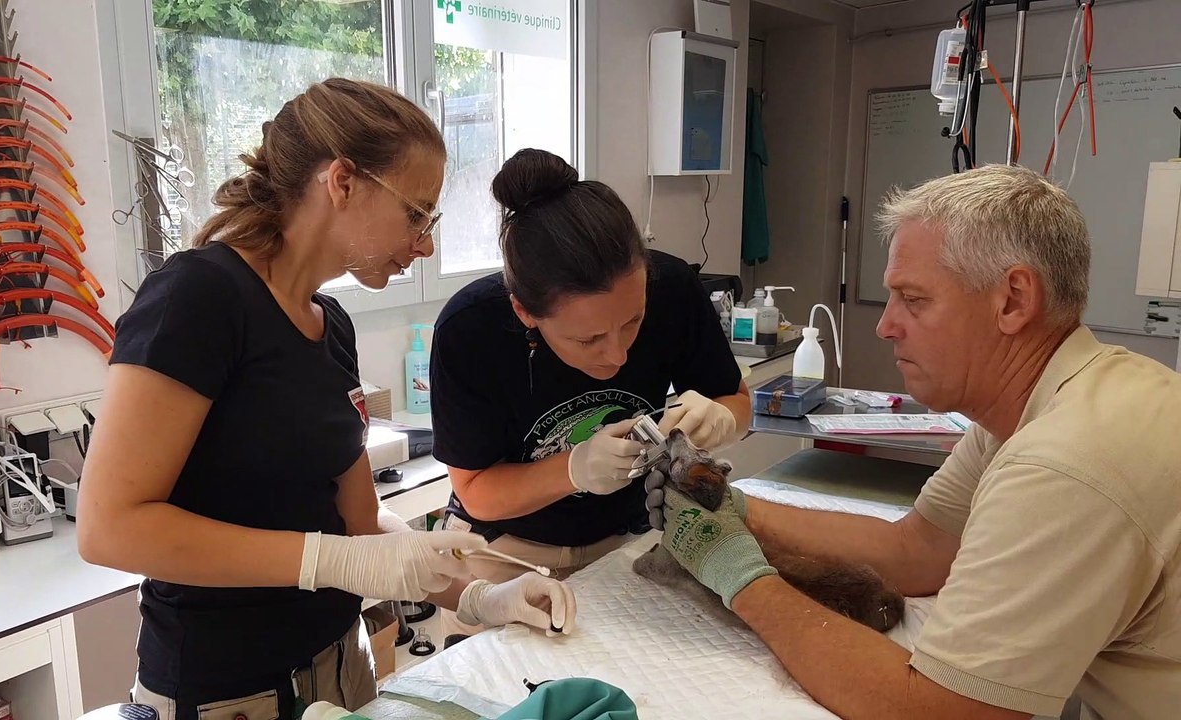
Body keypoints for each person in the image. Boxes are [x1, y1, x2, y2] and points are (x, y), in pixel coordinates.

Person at [77, 79, 576, 719]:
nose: (424, 245)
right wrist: (336, 560)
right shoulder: (199, 297)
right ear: (341, 182)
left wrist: (481, 595)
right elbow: (108, 528)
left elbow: (363, 529)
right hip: (227, 690)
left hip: (341, 663)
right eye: (417, 214)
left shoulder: (330, 324)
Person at [648, 164, 1181, 720]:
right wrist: (735, 510)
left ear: (1013, 300)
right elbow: (919, 552)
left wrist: (739, 574)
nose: (886, 325)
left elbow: (937, 711)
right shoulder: (1049, 404)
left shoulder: (1064, 461)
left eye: (914, 299)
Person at [429, 148, 751, 637]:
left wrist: (720, 419)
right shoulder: (470, 330)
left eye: (633, 322)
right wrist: (574, 468)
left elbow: (738, 403)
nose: (618, 355)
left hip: (623, 541)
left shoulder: (674, 291)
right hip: (502, 555)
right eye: (588, 339)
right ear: (524, 312)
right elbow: (476, 493)